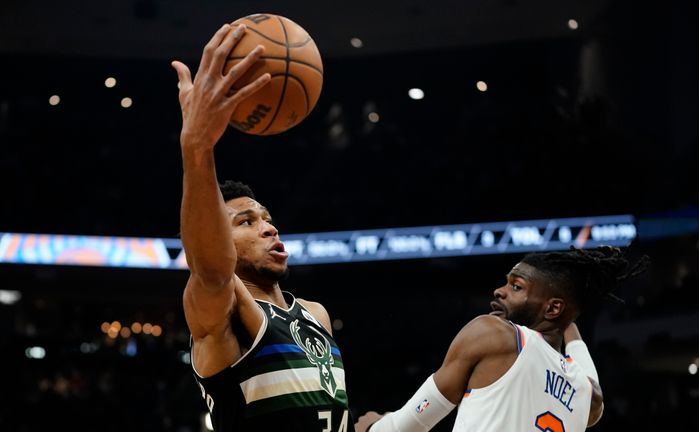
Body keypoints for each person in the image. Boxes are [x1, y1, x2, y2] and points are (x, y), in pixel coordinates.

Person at [171, 23, 352, 431]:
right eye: (246, 222)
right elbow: (212, 268)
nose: (269, 229)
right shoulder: (224, 310)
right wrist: (197, 146)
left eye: (268, 219)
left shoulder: (315, 314)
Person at [355, 246, 649, 432]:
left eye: (516, 286)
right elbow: (592, 381)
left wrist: (373, 426)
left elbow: (410, 426)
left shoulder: (494, 335)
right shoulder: (587, 398)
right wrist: (567, 321)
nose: (499, 291)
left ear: (552, 307)